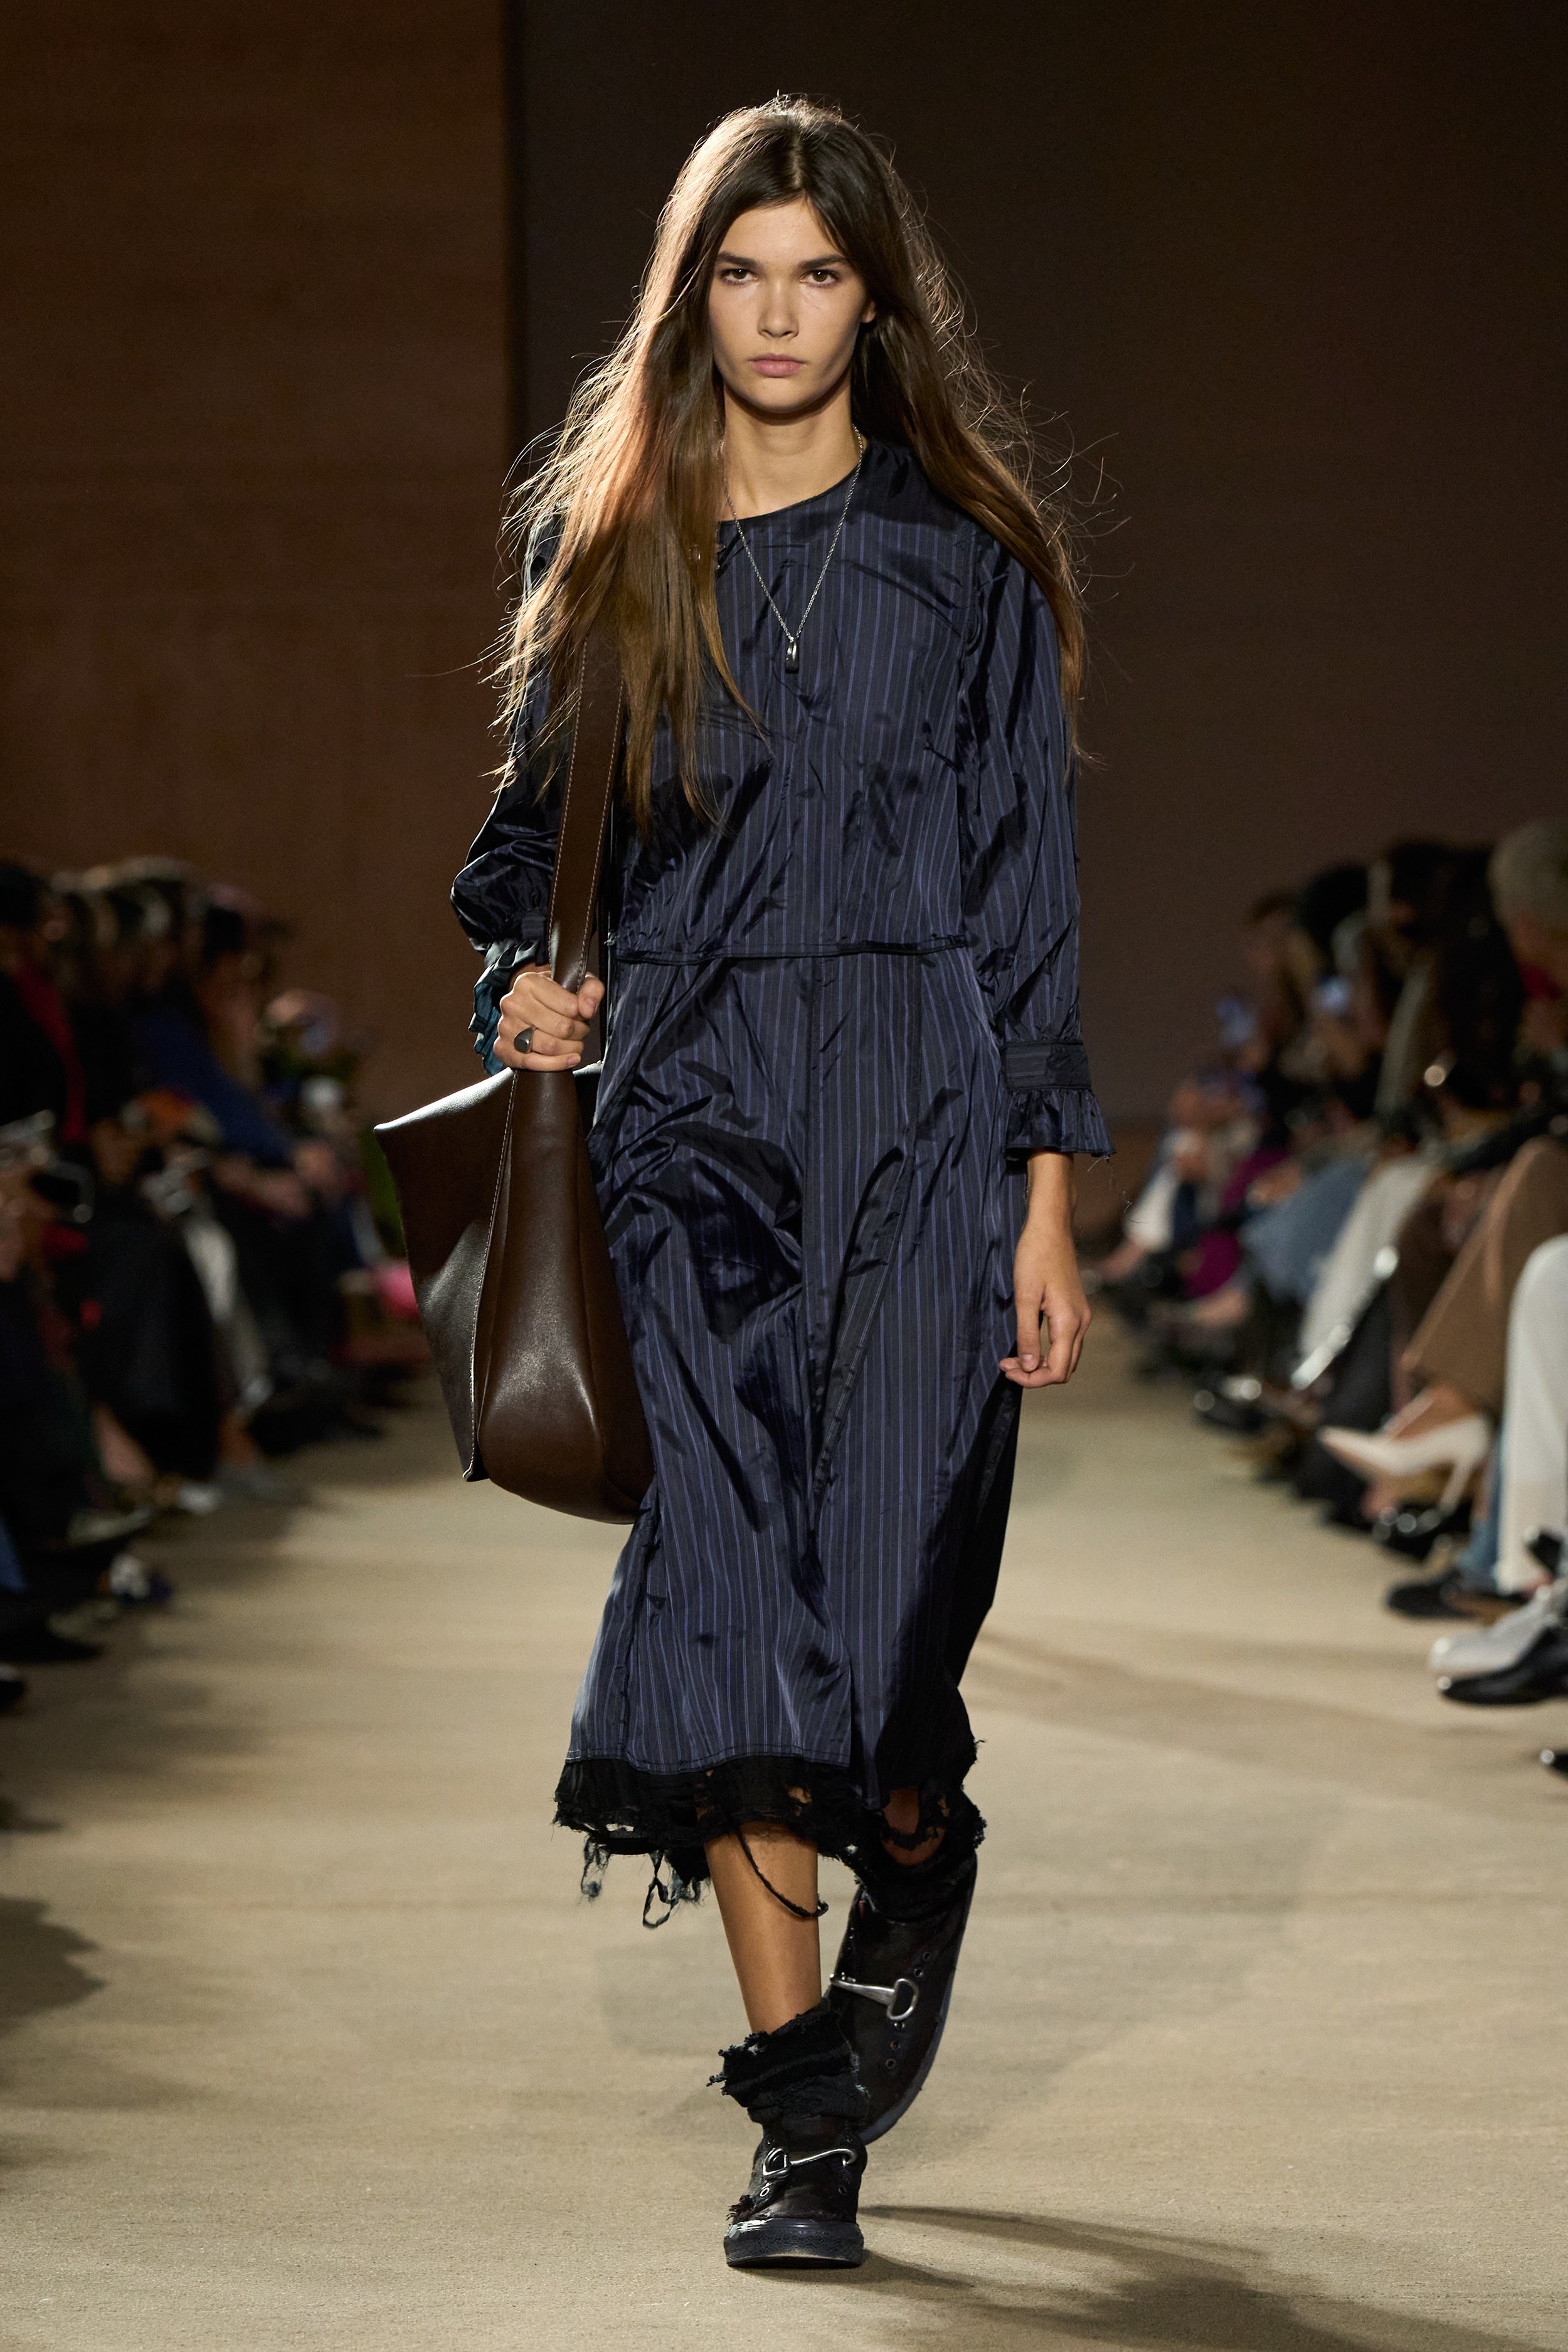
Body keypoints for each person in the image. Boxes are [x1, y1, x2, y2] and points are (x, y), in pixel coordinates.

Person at [451, 99, 1108, 2271]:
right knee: (731, 1599)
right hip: (691, 1124)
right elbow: (519, 868)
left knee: (891, 1619)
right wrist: (520, 997)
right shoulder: (612, 557)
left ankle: (914, 1829)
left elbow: (1026, 898)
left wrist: (1042, 1198)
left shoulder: (968, 564)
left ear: (873, 303)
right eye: (739, 274)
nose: (776, 316)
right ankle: (801, 2120)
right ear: (691, 299)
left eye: (817, 274)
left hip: (922, 1116)